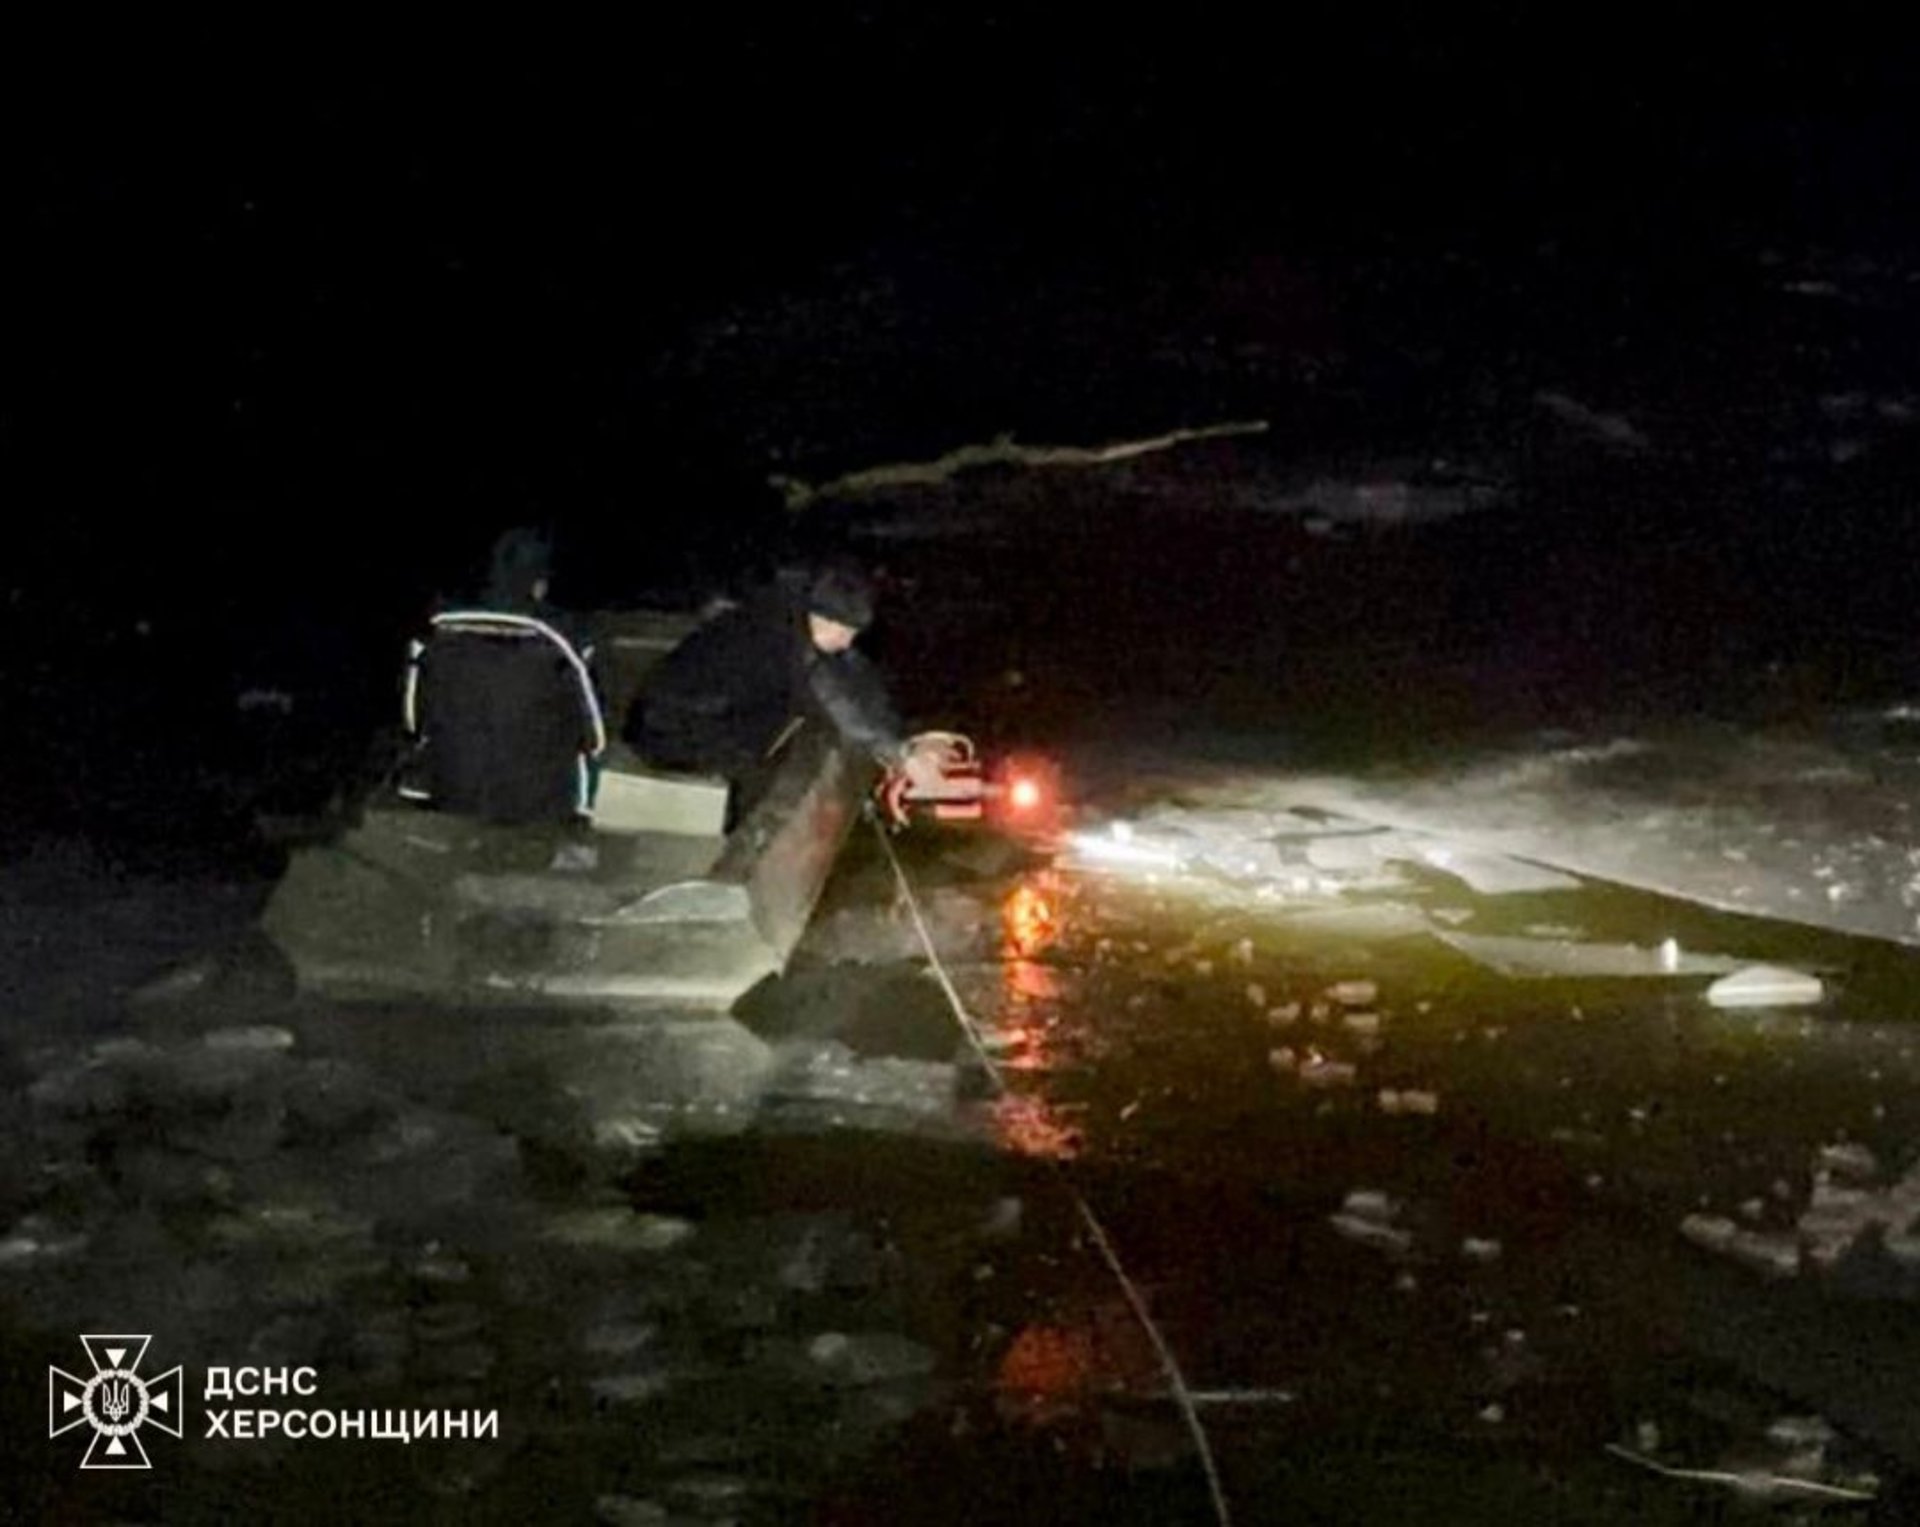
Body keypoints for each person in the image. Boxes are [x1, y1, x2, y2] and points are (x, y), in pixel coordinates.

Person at [623, 561, 949, 819]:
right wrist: (899, 756)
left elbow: (856, 674)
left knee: (788, 719)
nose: (846, 642)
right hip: (669, 726)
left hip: (712, 712)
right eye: (843, 632)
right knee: (773, 746)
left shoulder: (801, 617)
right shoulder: (778, 636)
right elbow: (832, 696)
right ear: (819, 616)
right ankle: (737, 832)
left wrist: (903, 736)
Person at [398, 526, 607, 825]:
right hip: (539, 809)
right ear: (539, 584)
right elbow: (595, 738)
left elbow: (413, 721)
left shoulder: (437, 632)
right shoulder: (567, 641)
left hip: (451, 795)